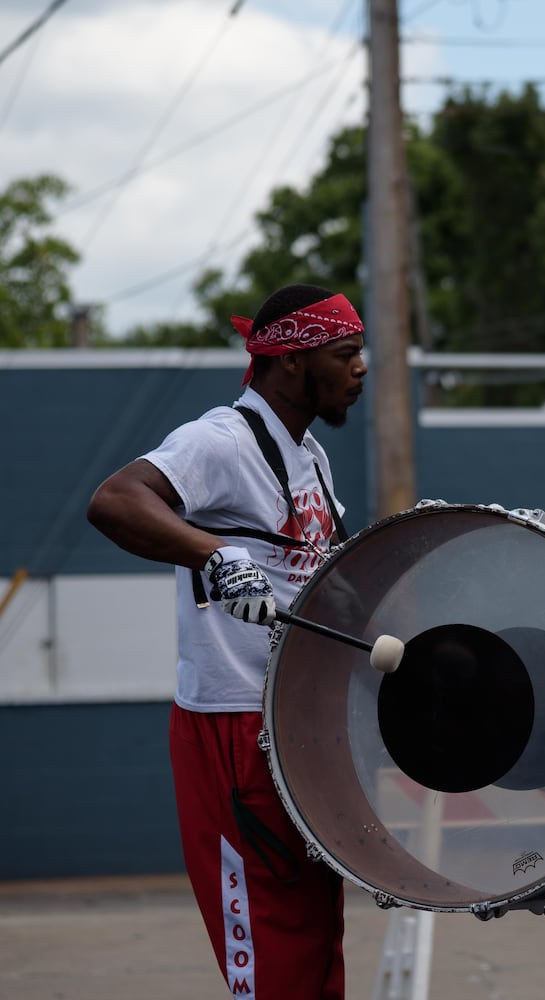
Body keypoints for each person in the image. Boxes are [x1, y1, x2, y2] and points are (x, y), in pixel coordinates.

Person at [86, 284, 368, 999]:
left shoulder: (311, 459)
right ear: (293, 364)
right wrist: (211, 553)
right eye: (346, 353)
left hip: (299, 725)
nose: (361, 368)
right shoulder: (220, 441)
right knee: (267, 954)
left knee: (315, 939)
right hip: (234, 728)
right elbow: (115, 501)